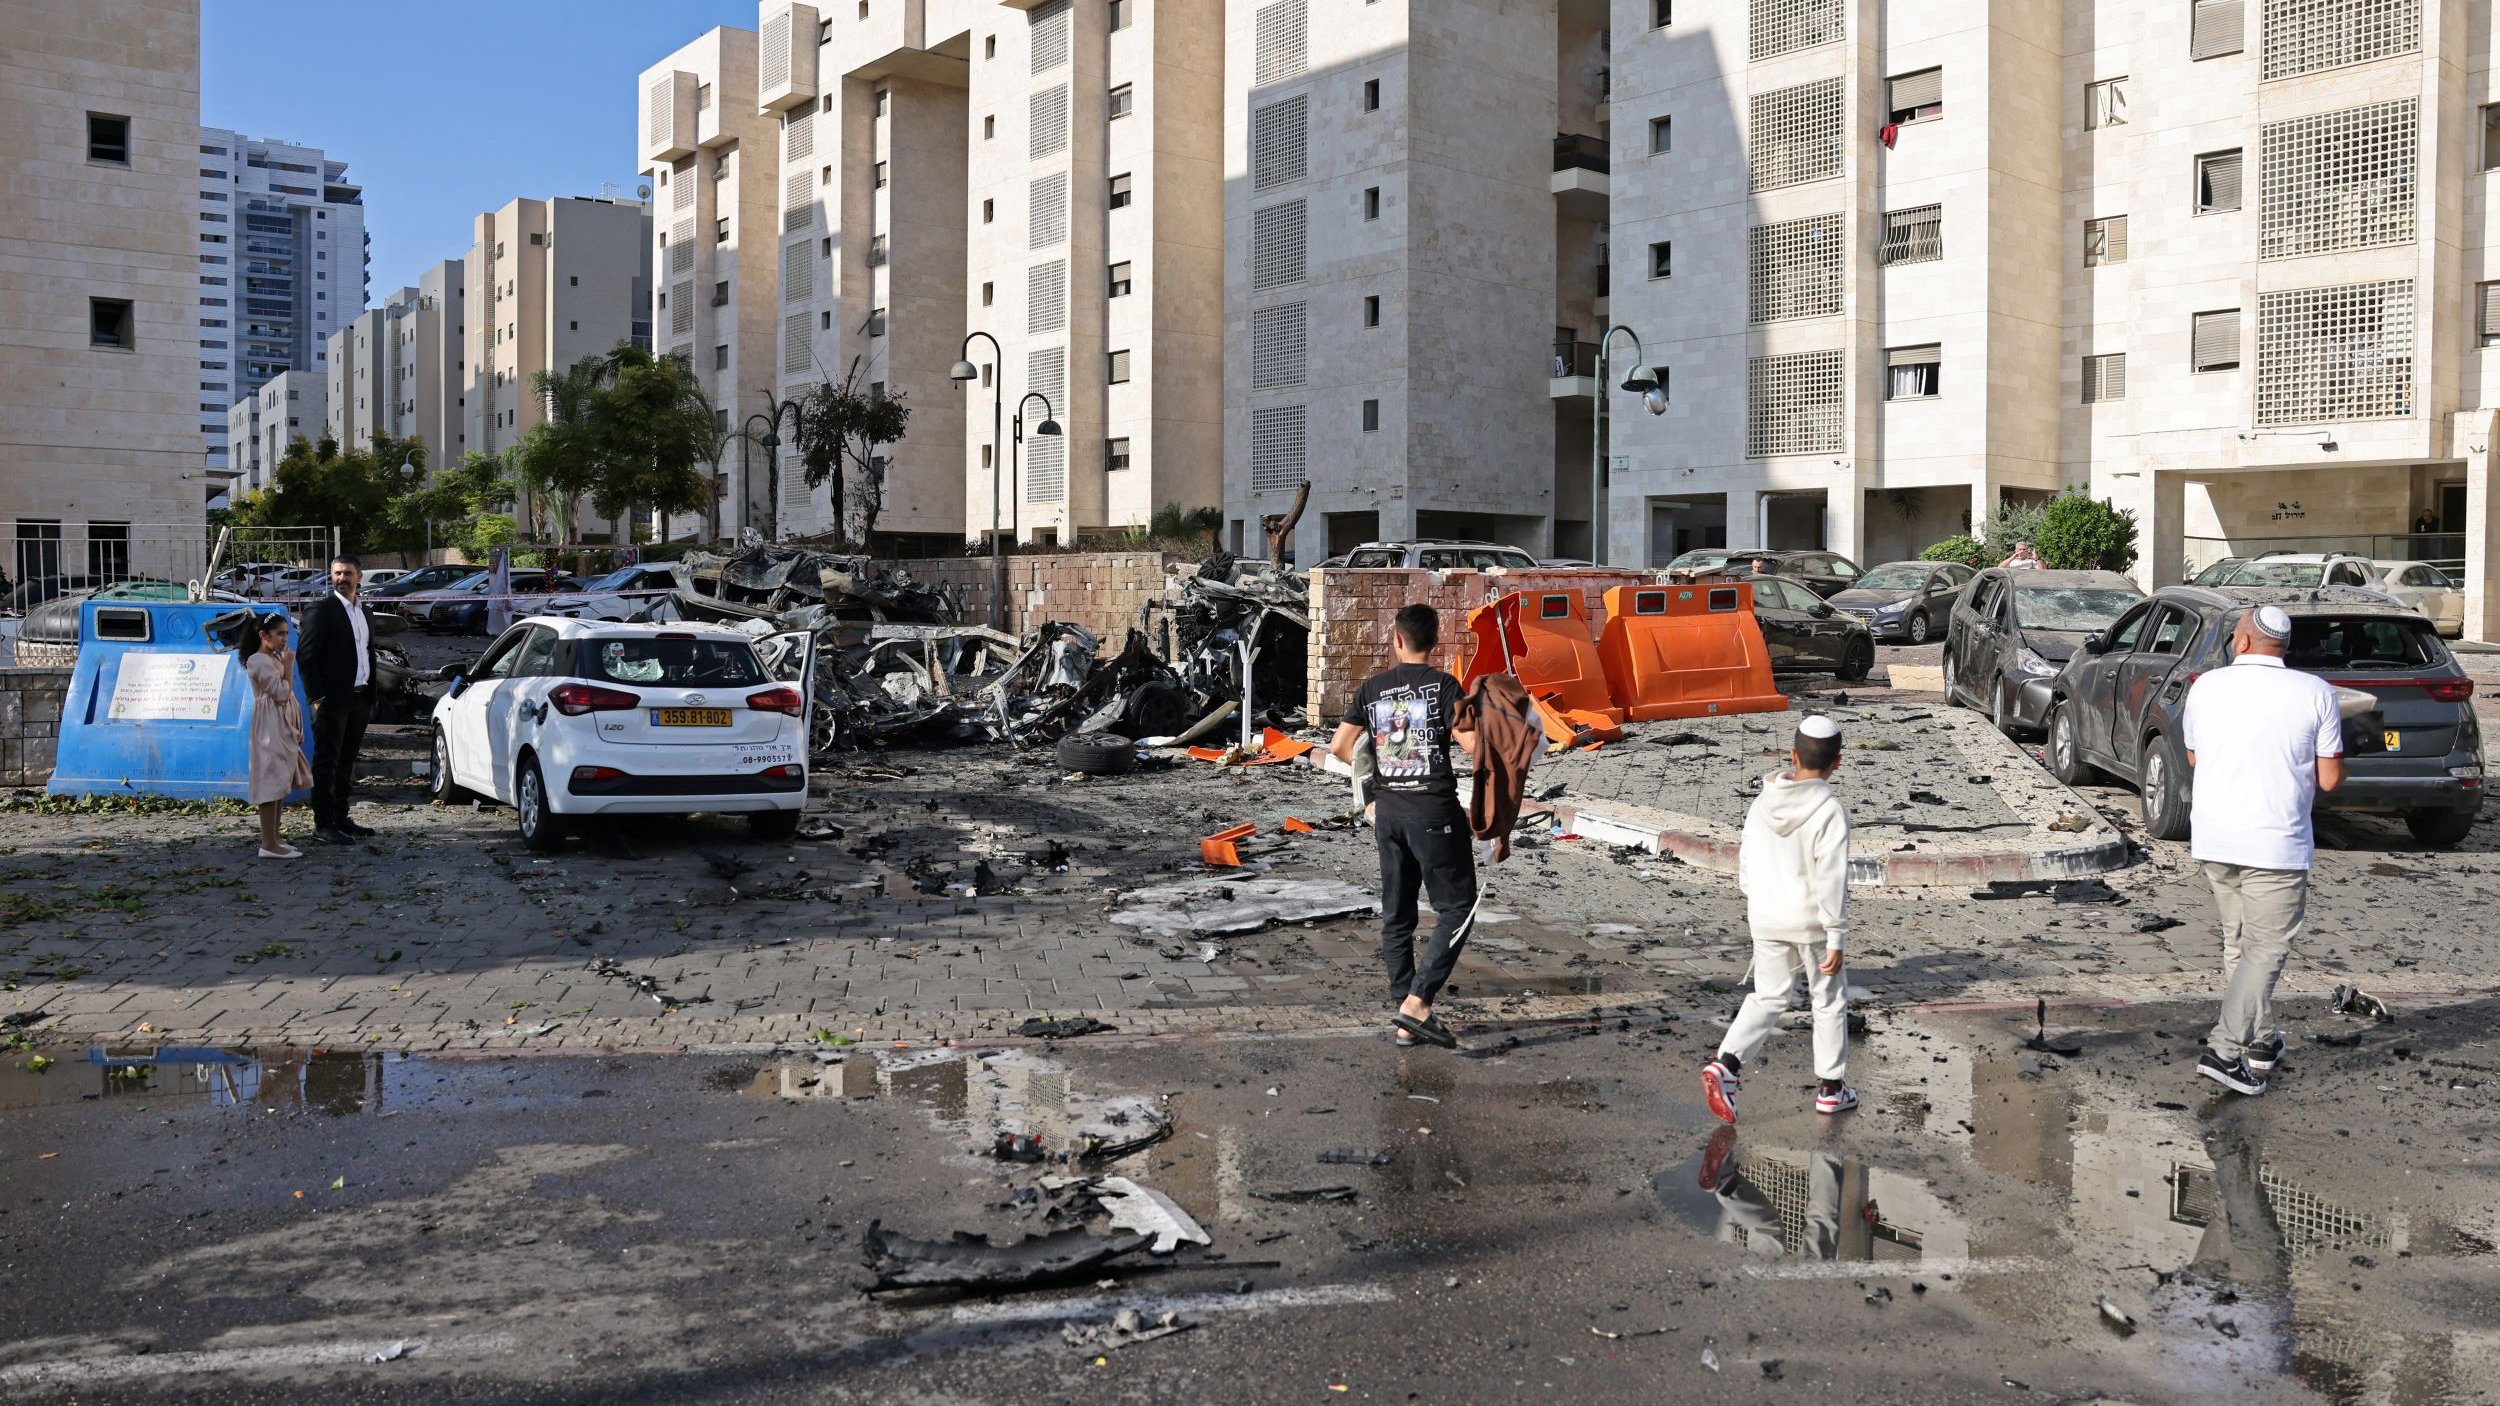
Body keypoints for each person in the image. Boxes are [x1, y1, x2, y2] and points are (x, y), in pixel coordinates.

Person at [2180, 603, 2344, 1096]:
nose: (2232, 642)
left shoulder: (2207, 686)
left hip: (2214, 838)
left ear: (2245, 641)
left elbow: (2193, 755)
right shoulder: (2315, 692)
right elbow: (2330, 780)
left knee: (2241, 946)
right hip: (2274, 842)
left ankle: (2262, 1039)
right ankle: (2225, 1050)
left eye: (2234, 635)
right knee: (2266, 948)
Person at [1329, 603, 1480, 1049]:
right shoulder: (1445, 686)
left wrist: (1372, 787)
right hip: (1434, 814)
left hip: (1388, 816)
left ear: (1395, 640)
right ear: (1435, 642)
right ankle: (1416, 1004)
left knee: (1398, 914)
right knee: (1457, 907)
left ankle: (1404, 1017)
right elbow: (1473, 746)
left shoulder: (1372, 689)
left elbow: (1340, 747)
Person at [1702, 714, 1856, 1123]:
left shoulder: (1761, 801)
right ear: (1837, 763)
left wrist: (1761, 903)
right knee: (1827, 1000)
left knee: (1769, 997)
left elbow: (1747, 862)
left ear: (1792, 755)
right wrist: (1836, 935)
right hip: (1812, 924)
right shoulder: (1829, 810)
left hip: (1766, 916)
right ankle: (1831, 1089)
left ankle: (1727, 1065)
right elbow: (1832, 878)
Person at [295, 554, 379, 844]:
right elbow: (306, 657)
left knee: (347, 760)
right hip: (331, 700)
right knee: (327, 761)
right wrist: (317, 696)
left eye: (347, 573)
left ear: (360, 577)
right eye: (337, 574)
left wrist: (371, 693)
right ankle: (323, 823)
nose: (341, 579)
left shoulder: (364, 612)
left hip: (360, 698)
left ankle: (341, 817)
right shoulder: (321, 610)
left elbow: (367, 652)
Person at [241, 613, 312, 858]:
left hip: (280, 723)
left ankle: (275, 838)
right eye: (279, 633)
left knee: (280, 779)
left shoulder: (272, 658)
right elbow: (280, 693)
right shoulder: (258, 661)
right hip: (270, 725)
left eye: (286, 633)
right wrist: (289, 666)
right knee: (270, 781)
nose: (284, 639)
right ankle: (268, 843)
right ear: (264, 635)